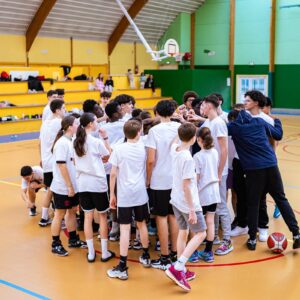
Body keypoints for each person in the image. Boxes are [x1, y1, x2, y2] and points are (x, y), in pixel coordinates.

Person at [228, 109, 300, 250]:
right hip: (271, 166)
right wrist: (277, 121)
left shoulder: (234, 128)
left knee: (253, 203)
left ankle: (252, 240)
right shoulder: (259, 122)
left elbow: (214, 127)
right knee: (281, 199)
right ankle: (297, 234)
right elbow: (278, 135)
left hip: (254, 170)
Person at [107, 120, 151, 280]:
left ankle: (123, 266)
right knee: (141, 224)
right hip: (140, 192)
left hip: (125, 194)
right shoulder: (143, 147)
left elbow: (113, 174)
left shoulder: (118, 149)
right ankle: (146, 256)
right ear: (139, 133)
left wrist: (112, 194)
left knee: (125, 229)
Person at [165, 123, 206, 292]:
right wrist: (191, 209)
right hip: (187, 202)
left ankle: (181, 267)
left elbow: (176, 140)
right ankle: (178, 266)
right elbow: (186, 185)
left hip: (175, 200)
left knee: (183, 232)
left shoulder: (175, 149)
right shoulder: (188, 158)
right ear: (194, 138)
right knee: (201, 232)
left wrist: (182, 123)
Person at [74, 113, 115, 263]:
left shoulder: (75, 141)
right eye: (96, 121)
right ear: (90, 124)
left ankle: (91, 253)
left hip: (83, 183)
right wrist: (105, 138)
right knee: (103, 216)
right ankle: (104, 252)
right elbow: (109, 155)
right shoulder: (96, 141)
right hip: (97, 183)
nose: (97, 123)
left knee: (87, 217)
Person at [145, 100, 180, 270]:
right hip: (176, 179)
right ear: (173, 111)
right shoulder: (179, 128)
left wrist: (148, 178)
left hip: (160, 179)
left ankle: (165, 256)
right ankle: (175, 254)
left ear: (157, 112)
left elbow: (151, 160)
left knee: (161, 217)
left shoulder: (154, 131)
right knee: (174, 216)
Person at [201, 94, 233, 255]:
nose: (201, 107)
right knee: (211, 204)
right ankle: (214, 238)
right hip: (209, 170)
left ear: (210, 106)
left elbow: (224, 149)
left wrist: (220, 172)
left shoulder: (219, 123)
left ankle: (227, 239)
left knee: (220, 204)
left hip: (218, 172)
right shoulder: (208, 122)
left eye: (204, 105)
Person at [50, 116, 87, 256]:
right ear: (70, 127)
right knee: (59, 214)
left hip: (73, 186)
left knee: (72, 211)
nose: (79, 125)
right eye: (77, 123)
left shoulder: (71, 141)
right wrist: (69, 186)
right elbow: (61, 165)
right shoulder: (61, 143)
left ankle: (73, 239)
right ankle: (56, 243)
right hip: (62, 187)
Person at [193, 127, 221, 263]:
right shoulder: (215, 152)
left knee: (196, 223)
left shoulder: (197, 156)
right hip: (214, 192)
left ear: (199, 140)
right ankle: (208, 252)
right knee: (210, 221)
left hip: (202, 193)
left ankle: (193, 252)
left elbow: (197, 178)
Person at [39, 99, 66, 226]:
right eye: (64, 108)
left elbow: (39, 143)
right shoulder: (59, 122)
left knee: (50, 189)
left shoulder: (44, 123)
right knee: (59, 191)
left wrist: (41, 158)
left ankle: (44, 217)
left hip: (45, 161)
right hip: (55, 161)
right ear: (58, 110)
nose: (65, 111)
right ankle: (61, 219)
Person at [262, 96, 281, 219]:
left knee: (274, 186)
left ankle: (278, 205)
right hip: (260, 158)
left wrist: (272, 157)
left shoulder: (273, 120)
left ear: (268, 107)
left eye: (262, 106)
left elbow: (275, 142)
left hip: (269, 159)